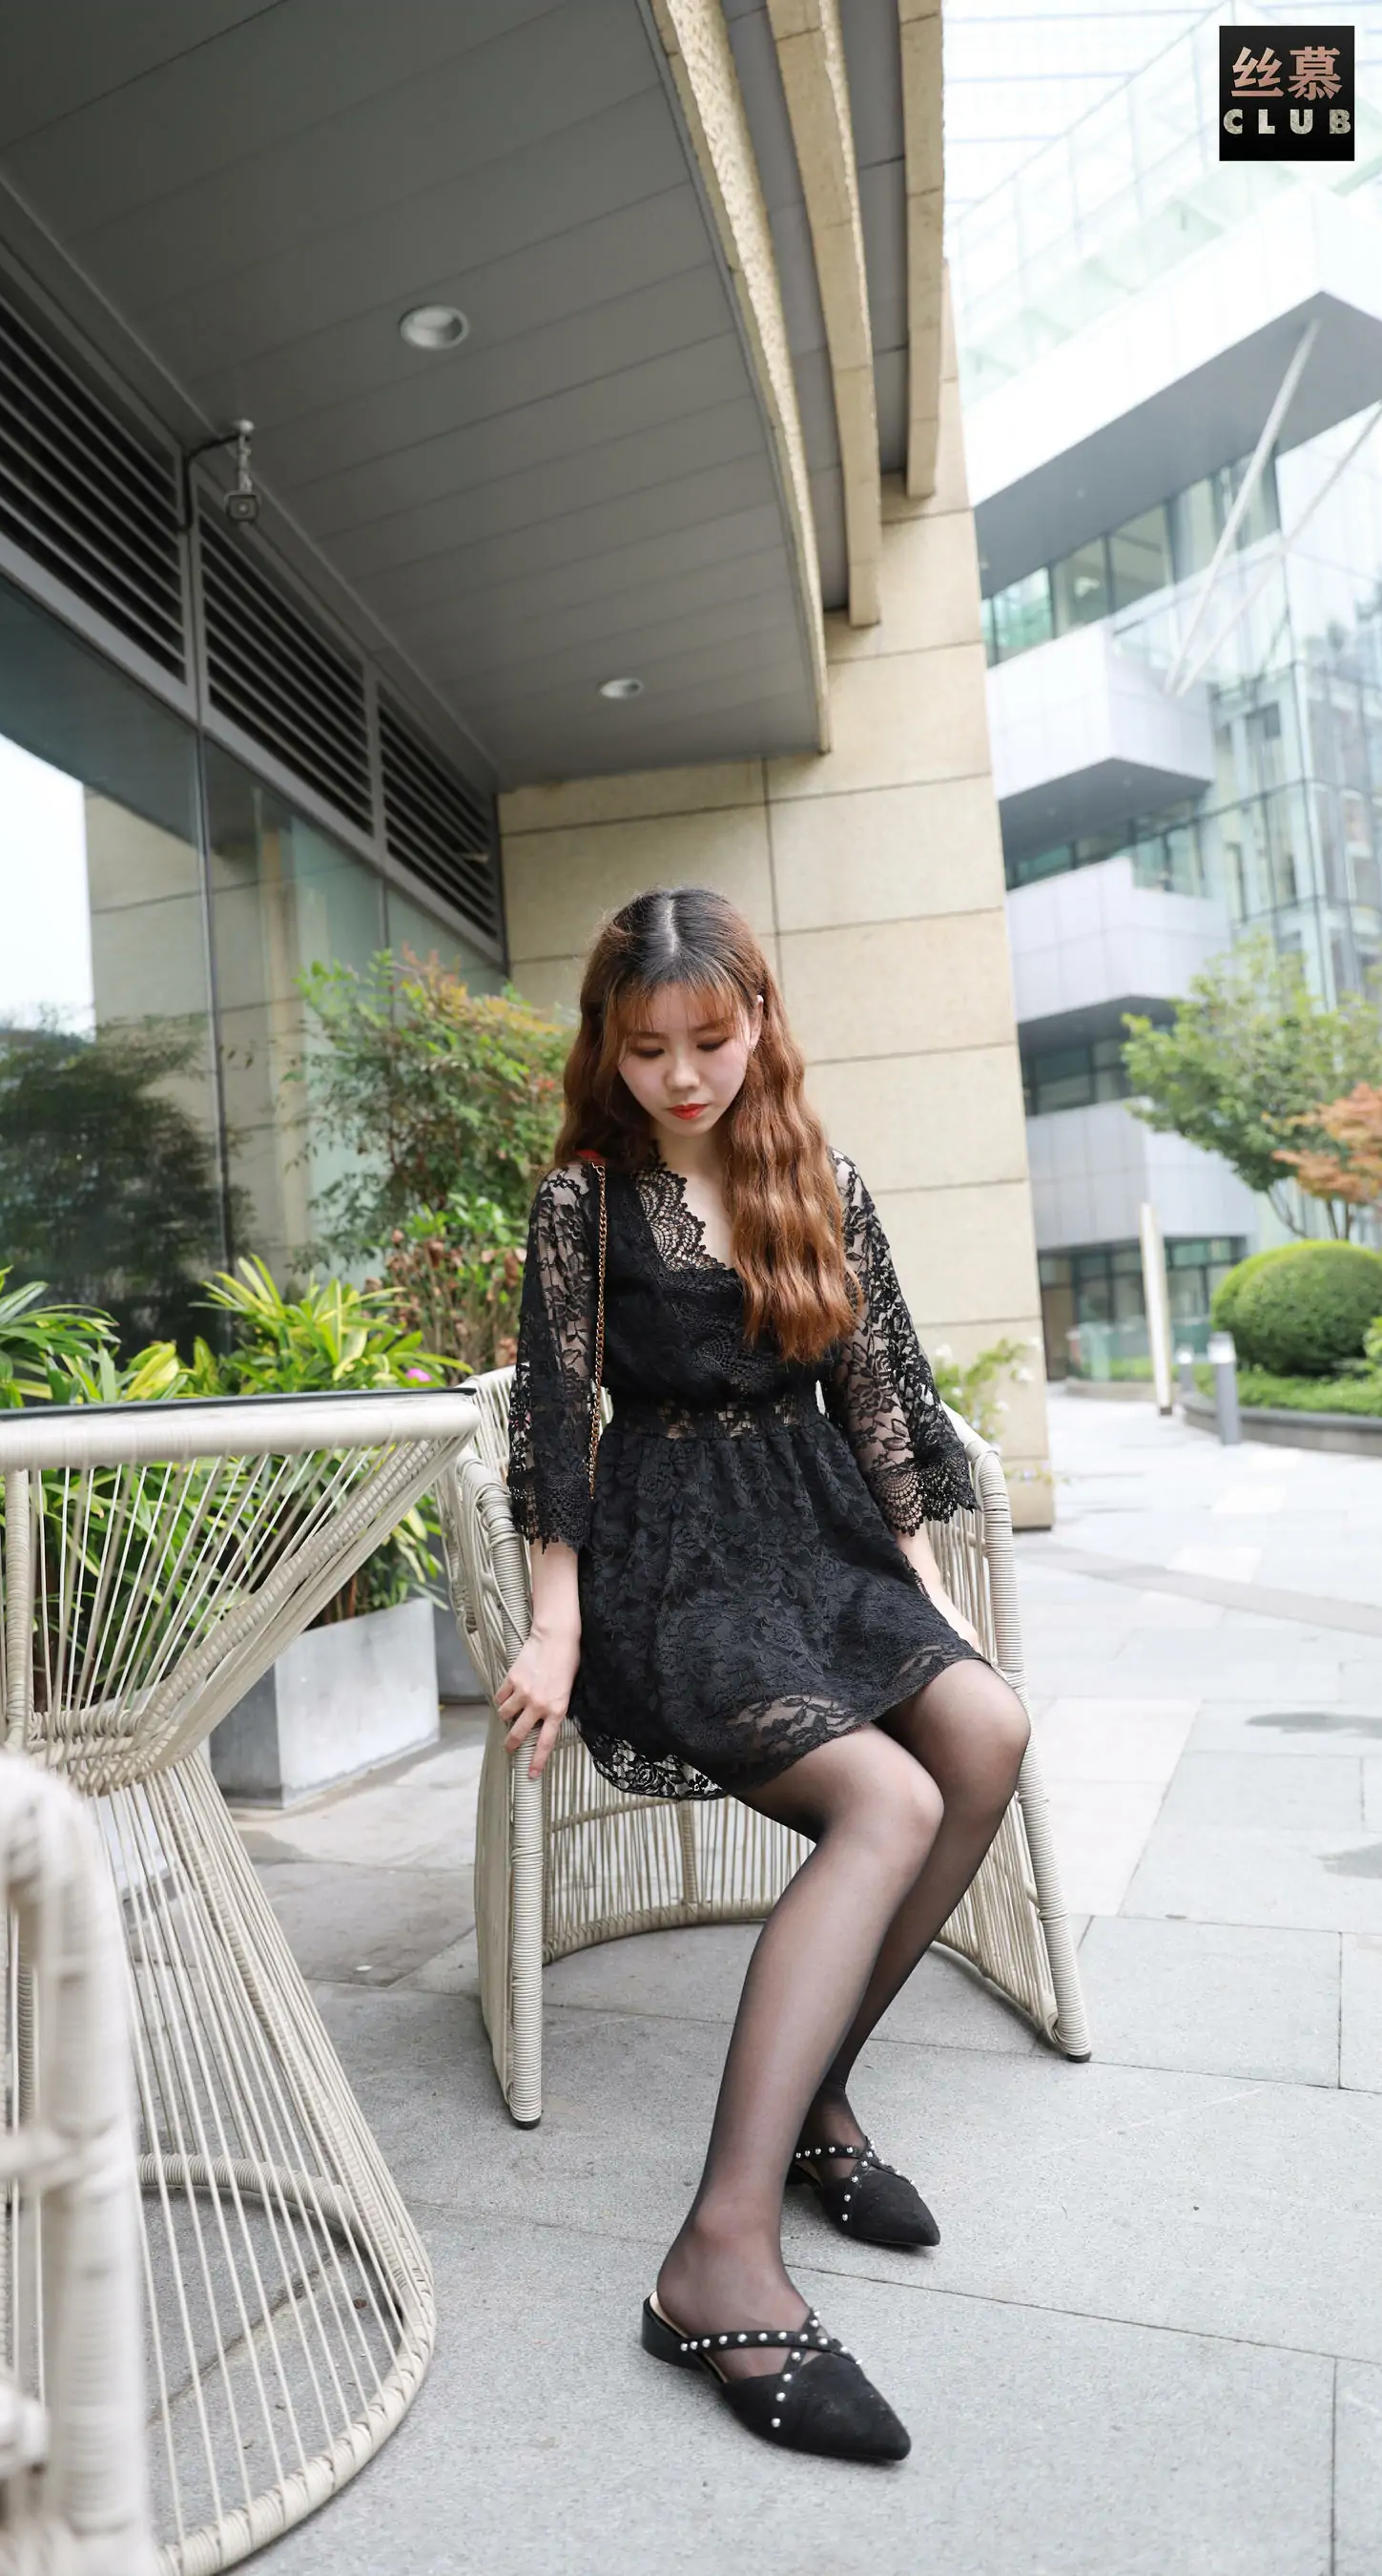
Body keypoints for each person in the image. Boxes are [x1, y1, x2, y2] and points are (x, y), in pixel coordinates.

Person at [496, 884, 1031, 2464]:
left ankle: (814, 2101)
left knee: (985, 1731)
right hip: (675, 1562)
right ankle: (717, 2256)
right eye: (646, 1046)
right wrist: (554, 1624)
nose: (681, 1074)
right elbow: (553, 1419)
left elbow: (881, 1398)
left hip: (823, 1538)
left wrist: (921, 1595)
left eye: (709, 1040)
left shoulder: (820, 1179)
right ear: (607, 1047)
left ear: (759, 1027)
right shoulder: (585, 1204)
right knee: (884, 1805)